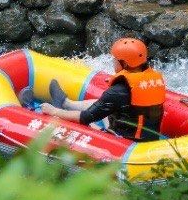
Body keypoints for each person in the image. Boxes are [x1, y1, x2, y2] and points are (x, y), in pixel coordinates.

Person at [32, 37, 166, 141]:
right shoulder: (153, 79)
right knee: (102, 105)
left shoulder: (118, 92)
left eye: (115, 60)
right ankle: (66, 103)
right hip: (148, 138)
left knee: (88, 123)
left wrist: (54, 111)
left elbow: (85, 118)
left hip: (124, 142)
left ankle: (55, 107)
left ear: (124, 63)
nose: (113, 62)